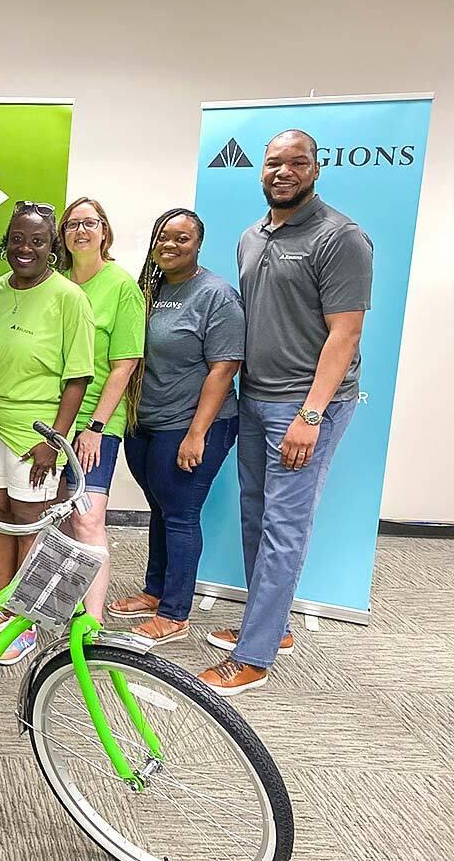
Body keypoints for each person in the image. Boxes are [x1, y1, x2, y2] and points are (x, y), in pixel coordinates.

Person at [199, 130, 372, 695]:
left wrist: (312, 414)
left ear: (316, 170)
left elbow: (344, 335)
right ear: (261, 170)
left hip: (305, 406)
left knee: (283, 528)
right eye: (274, 162)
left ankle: (255, 654)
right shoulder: (252, 237)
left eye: (297, 163)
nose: (283, 171)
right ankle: (270, 626)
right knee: (257, 517)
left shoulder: (341, 238)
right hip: (256, 397)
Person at [0, 201, 94, 665]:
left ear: (52, 246)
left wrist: (54, 442)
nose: (25, 248)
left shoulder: (69, 297)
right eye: (18, 239)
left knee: (31, 521)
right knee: (0, 515)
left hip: (36, 433)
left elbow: (77, 378)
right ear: (6, 242)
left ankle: (31, 623)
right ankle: (1, 608)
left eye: (37, 240)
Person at [109, 209, 243, 646]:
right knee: (162, 508)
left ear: (198, 244)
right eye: (163, 237)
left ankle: (175, 612)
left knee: (181, 514)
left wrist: (196, 433)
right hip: (145, 422)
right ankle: (155, 590)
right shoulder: (150, 288)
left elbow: (224, 369)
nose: (170, 245)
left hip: (192, 425)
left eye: (181, 238)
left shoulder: (216, 295)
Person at [55, 197, 145, 620]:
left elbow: (124, 364)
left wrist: (94, 426)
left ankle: (92, 621)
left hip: (95, 424)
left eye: (89, 223)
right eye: (72, 224)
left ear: (104, 231)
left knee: (87, 520)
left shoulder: (122, 286)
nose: (80, 231)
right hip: (53, 419)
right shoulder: (55, 281)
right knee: (57, 518)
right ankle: (55, 607)